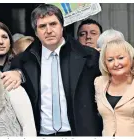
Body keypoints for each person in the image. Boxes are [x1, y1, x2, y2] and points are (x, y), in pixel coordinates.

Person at [11, 4, 102, 136]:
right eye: (42, 26)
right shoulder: (22, 62)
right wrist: (18, 73)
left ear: (62, 26)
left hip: (79, 133)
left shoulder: (90, 57)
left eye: (53, 24)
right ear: (36, 32)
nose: (48, 30)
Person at [94, 40, 134, 136]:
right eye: (110, 60)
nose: (116, 64)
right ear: (104, 63)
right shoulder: (99, 83)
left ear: (131, 59)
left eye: (120, 58)